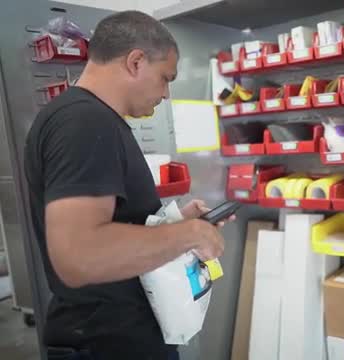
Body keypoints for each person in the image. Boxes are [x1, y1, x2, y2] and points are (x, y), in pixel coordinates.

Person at [24, 11, 226, 360]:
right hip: (109, 344)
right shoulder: (84, 122)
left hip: (119, 337)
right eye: (165, 78)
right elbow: (78, 254)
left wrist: (175, 222)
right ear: (135, 61)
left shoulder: (92, 119)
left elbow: (114, 226)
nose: (165, 94)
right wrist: (189, 235)